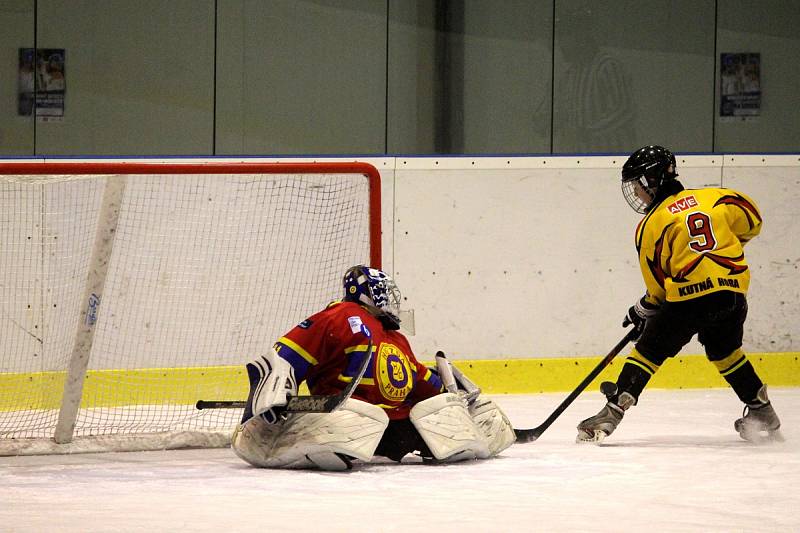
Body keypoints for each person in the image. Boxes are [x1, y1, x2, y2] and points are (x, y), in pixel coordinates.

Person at [576, 145, 782, 444]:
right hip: (732, 293)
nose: (637, 193)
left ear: (651, 179)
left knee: (648, 350)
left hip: (690, 297)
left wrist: (643, 310)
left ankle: (609, 415)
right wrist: (724, 252)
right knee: (725, 351)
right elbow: (753, 220)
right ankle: (762, 410)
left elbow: (658, 288)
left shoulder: (652, 223)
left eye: (638, 185)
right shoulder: (717, 196)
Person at [232, 265, 515, 470]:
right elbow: (288, 352)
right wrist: (275, 394)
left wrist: (449, 393)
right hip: (346, 416)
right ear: (365, 293)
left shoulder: (394, 336)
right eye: (383, 293)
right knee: (349, 422)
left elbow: (414, 376)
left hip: (390, 423)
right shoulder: (340, 315)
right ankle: (307, 437)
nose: (390, 301)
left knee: (441, 426)